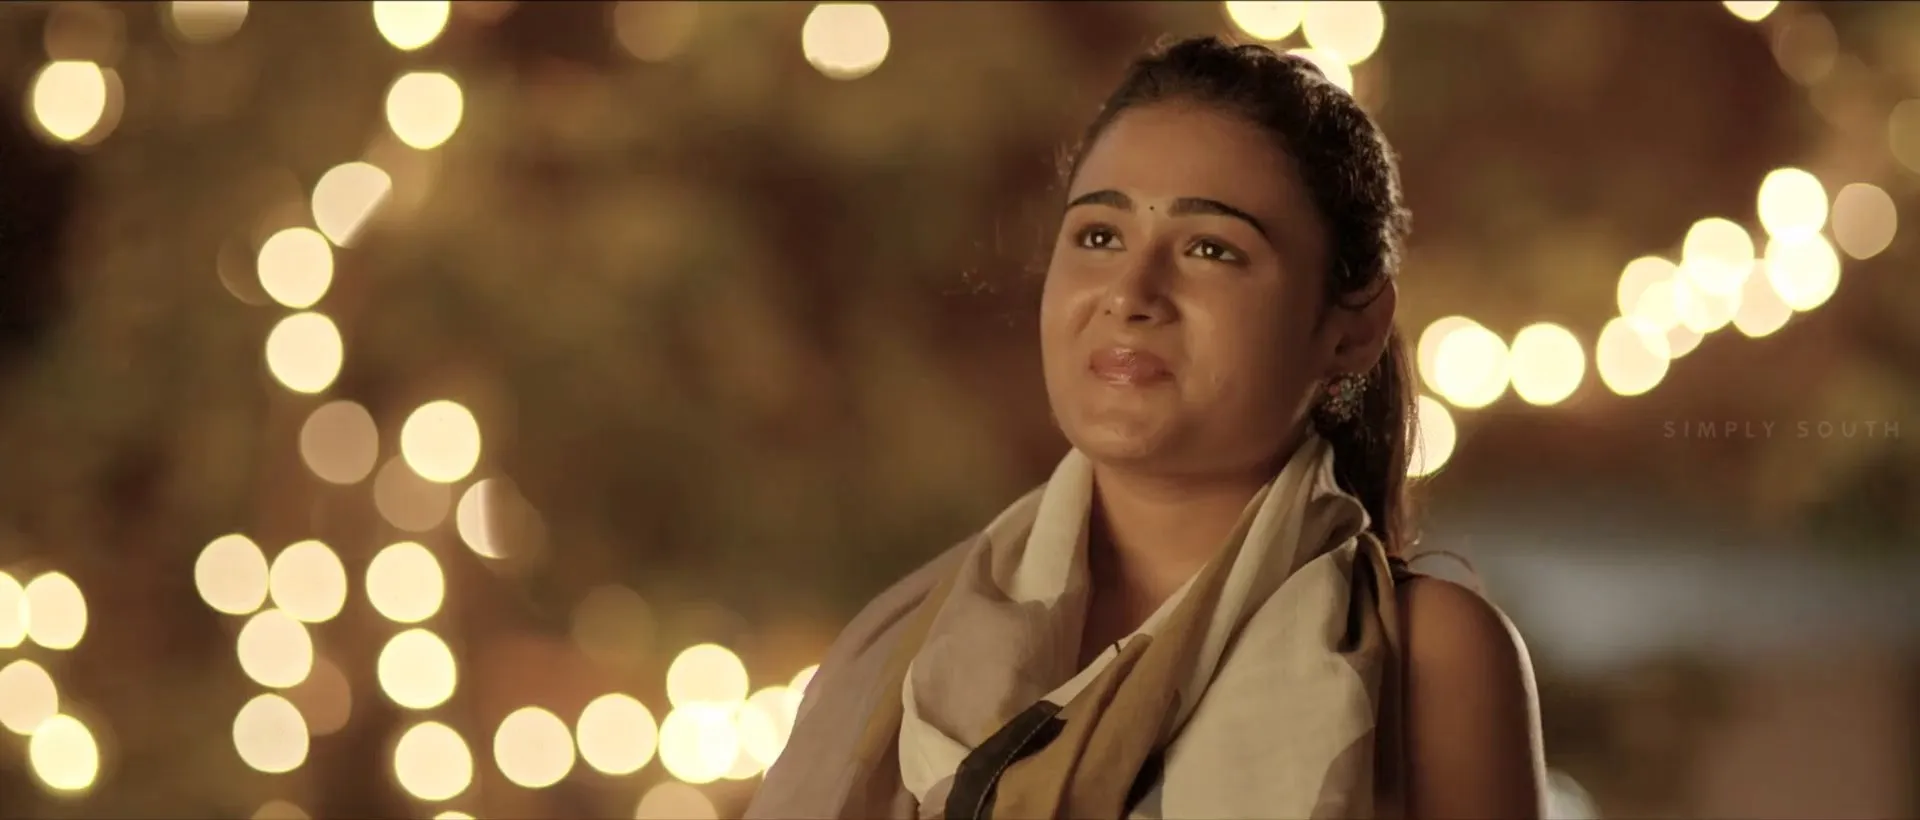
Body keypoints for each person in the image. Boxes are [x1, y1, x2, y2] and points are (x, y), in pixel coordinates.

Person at [749, 35, 1545, 820]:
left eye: (1211, 249)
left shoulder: (1426, 660)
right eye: (1100, 236)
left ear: (1352, 329)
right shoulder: (899, 656)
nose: (1131, 292)